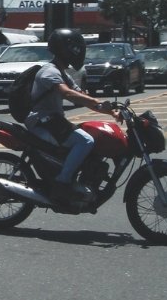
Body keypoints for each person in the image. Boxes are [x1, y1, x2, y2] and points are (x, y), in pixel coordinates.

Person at [25, 28, 117, 205]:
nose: (78, 52)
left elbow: (81, 96)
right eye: (75, 49)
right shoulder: (49, 71)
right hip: (42, 122)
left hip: (52, 121)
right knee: (85, 141)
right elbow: (67, 93)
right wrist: (95, 102)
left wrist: (111, 111)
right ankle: (62, 183)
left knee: (90, 135)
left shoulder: (62, 73)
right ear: (64, 49)